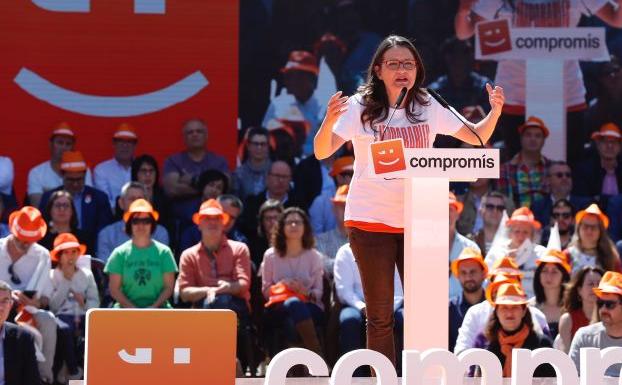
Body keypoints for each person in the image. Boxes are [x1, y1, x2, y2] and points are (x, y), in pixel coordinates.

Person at [314, 34, 504, 366]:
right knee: (381, 315)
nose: (402, 70)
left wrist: (496, 111)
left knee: (424, 311)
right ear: (378, 69)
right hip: (370, 220)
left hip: (419, 220)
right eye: (394, 64)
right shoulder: (360, 106)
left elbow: (479, 136)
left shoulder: (429, 104)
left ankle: (425, 374)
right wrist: (329, 120)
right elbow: (321, 150)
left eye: (409, 64)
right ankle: (384, 378)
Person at [454, 0, 622, 163]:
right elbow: (464, 32)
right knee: (519, 167)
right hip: (516, 95)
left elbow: (616, 19)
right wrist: (463, 10)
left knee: (567, 168)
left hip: (566, 95)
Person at [177, 199, 254, 374]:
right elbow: (184, 292)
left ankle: (219, 361)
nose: (212, 222)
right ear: (198, 223)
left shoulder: (240, 249)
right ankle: (228, 361)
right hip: (201, 311)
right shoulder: (188, 255)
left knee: (221, 302)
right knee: (212, 304)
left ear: (224, 222)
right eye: (206, 218)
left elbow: (243, 285)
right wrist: (208, 291)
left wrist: (221, 290)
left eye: (217, 218)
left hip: (236, 309)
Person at [0, 207, 56, 382]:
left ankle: (44, 378)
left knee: (48, 319)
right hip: (1, 305)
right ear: (12, 232)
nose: (24, 244)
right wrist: (7, 299)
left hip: (28, 309)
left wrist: (32, 302)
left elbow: (46, 298)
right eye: (21, 239)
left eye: (29, 241)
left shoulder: (42, 255)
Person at [260, 207, 324, 358]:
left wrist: (304, 291)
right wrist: (282, 286)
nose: (294, 225)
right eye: (289, 222)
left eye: (298, 222)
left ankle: (295, 368)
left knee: (291, 320)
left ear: (305, 227)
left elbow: (319, 293)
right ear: (281, 227)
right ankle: (317, 356)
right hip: (278, 307)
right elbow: (265, 290)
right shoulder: (270, 255)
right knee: (292, 304)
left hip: (309, 306)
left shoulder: (314, 255)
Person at [453, 257, 550, 354]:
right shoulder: (475, 313)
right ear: (491, 284)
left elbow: (547, 354)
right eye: (500, 284)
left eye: (509, 284)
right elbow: (461, 351)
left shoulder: (537, 315)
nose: (505, 289)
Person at [333, 242, 403, 377]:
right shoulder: (345, 252)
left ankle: (404, 373)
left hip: (390, 306)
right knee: (349, 320)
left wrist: (385, 309)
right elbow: (345, 291)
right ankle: (354, 375)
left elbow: (399, 292)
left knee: (405, 318)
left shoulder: (392, 250)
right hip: (357, 306)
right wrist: (362, 306)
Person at [104, 199, 177, 308]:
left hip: (159, 310)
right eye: (136, 221)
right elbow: (114, 290)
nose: (141, 225)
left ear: (152, 224)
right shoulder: (119, 254)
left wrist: (153, 308)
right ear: (129, 224)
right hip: (125, 312)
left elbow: (169, 288)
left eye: (146, 221)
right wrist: (134, 310)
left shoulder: (165, 252)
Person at [47, 233, 99, 383]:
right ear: (58, 256)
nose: (70, 256)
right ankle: (74, 371)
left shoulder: (87, 274)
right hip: (62, 316)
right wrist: (66, 281)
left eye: (74, 252)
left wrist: (84, 303)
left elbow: (95, 300)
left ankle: (79, 373)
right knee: (65, 330)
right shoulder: (52, 275)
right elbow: (53, 306)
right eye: (65, 252)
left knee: (87, 335)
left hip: (84, 315)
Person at [39, 151, 113, 251]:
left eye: (79, 180)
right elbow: (43, 226)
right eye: (70, 180)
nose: (75, 184)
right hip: (51, 246)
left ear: (85, 175)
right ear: (62, 175)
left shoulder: (99, 198)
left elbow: (103, 231)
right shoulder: (49, 197)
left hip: (89, 248)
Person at [484, 281, 555, 378]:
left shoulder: (542, 344)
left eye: (515, 307)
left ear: (524, 311)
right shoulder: (490, 349)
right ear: (496, 312)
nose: (509, 313)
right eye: (504, 307)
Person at [263, 51, 323, 156]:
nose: (287, 81)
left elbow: (332, 148)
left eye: (292, 76)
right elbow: (263, 137)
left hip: (312, 166)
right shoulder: (278, 103)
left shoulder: (325, 107)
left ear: (310, 79)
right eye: (287, 76)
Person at [96, 182, 169, 263]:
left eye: (140, 199)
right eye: (132, 199)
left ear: (148, 202)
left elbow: (161, 266)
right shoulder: (106, 234)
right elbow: (105, 268)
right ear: (121, 203)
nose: (136, 203)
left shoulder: (160, 233)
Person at [27, 123, 93, 208]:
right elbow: (38, 205)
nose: (63, 147)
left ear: (73, 147)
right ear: (50, 145)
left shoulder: (83, 170)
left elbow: (87, 201)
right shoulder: (36, 173)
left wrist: (48, 193)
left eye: (68, 144)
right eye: (60, 142)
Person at [570, 271, 622, 377]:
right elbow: (570, 379)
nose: (603, 309)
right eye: (600, 303)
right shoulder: (584, 337)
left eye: (609, 304)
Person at [485, 207, 546, 298]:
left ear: (532, 235)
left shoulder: (542, 254)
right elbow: (486, 282)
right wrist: (505, 263)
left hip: (534, 303)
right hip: (503, 302)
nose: (521, 236)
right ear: (510, 233)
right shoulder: (496, 252)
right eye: (517, 231)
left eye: (525, 232)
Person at [497, 117, 550, 208]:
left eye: (538, 136)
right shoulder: (505, 169)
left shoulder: (551, 168)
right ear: (521, 138)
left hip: (546, 220)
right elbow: (502, 202)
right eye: (528, 135)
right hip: (515, 220)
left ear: (543, 141)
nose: (533, 139)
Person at [241, 161, 299, 240]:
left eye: (285, 177)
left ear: (290, 179)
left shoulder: (298, 205)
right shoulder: (253, 203)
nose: (281, 180)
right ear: (267, 177)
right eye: (277, 176)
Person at [0, 280, 42, 385]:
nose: (0, 307)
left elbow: (32, 380)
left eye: (4, 301)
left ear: (10, 305)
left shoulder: (22, 338)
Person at [448, 247, 487, 352]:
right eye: (463, 273)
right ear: (458, 276)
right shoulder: (448, 309)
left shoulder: (493, 308)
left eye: (473, 272)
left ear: (484, 274)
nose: (468, 277)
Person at [557, 266, 604, 353]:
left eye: (599, 284)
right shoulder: (568, 320)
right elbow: (565, 354)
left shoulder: (611, 316)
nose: (595, 288)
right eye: (590, 284)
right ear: (579, 290)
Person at [573, 123, 622, 205]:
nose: (610, 146)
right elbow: (582, 201)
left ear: (620, 148)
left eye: (614, 142)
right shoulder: (583, 171)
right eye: (605, 142)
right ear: (598, 146)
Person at [530, 161, 590, 226]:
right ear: (548, 180)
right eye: (559, 175)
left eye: (568, 175)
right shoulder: (538, 207)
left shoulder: (585, 205)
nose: (565, 178)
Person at [565, 203, 621, 273]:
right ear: (578, 228)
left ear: (601, 231)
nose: (589, 231)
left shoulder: (612, 258)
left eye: (593, 227)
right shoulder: (567, 255)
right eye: (585, 226)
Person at [94, 123, 138, 209]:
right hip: (111, 217)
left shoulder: (142, 168)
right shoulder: (101, 170)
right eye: (121, 141)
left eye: (129, 142)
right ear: (113, 144)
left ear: (135, 146)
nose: (125, 146)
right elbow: (104, 201)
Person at [529, 250, 571, 339]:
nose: (549, 276)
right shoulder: (529, 307)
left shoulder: (572, 306)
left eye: (554, 272)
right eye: (544, 271)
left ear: (563, 276)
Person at [449, 192, 481, 299]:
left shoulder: (471, 248)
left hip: (462, 310)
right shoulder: (422, 248)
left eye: (450, 209)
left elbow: (480, 281)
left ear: (458, 214)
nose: (445, 214)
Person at [38, 190, 90, 255]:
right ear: (50, 210)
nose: (62, 209)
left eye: (66, 205)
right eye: (57, 205)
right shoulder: (41, 239)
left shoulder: (83, 238)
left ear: (72, 211)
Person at [315, 185, 349, 277]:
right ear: (334, 209)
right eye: (341, 206)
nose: (346, 210)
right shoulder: (320, 240)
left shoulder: (366, 241)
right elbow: (322, 266)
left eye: (349, 206)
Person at [233, 127, 272, 200]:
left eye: (263, 144)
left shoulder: (275, 171)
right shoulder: (238, 174)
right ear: (248, 146)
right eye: (255, 144)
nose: (259, 147)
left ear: (268, 146)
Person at [248, 200, 283, 268]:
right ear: (262, 221)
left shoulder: (290, 241)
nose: (272, 222)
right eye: (268, 218)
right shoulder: (253, 243)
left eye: (276, 218)